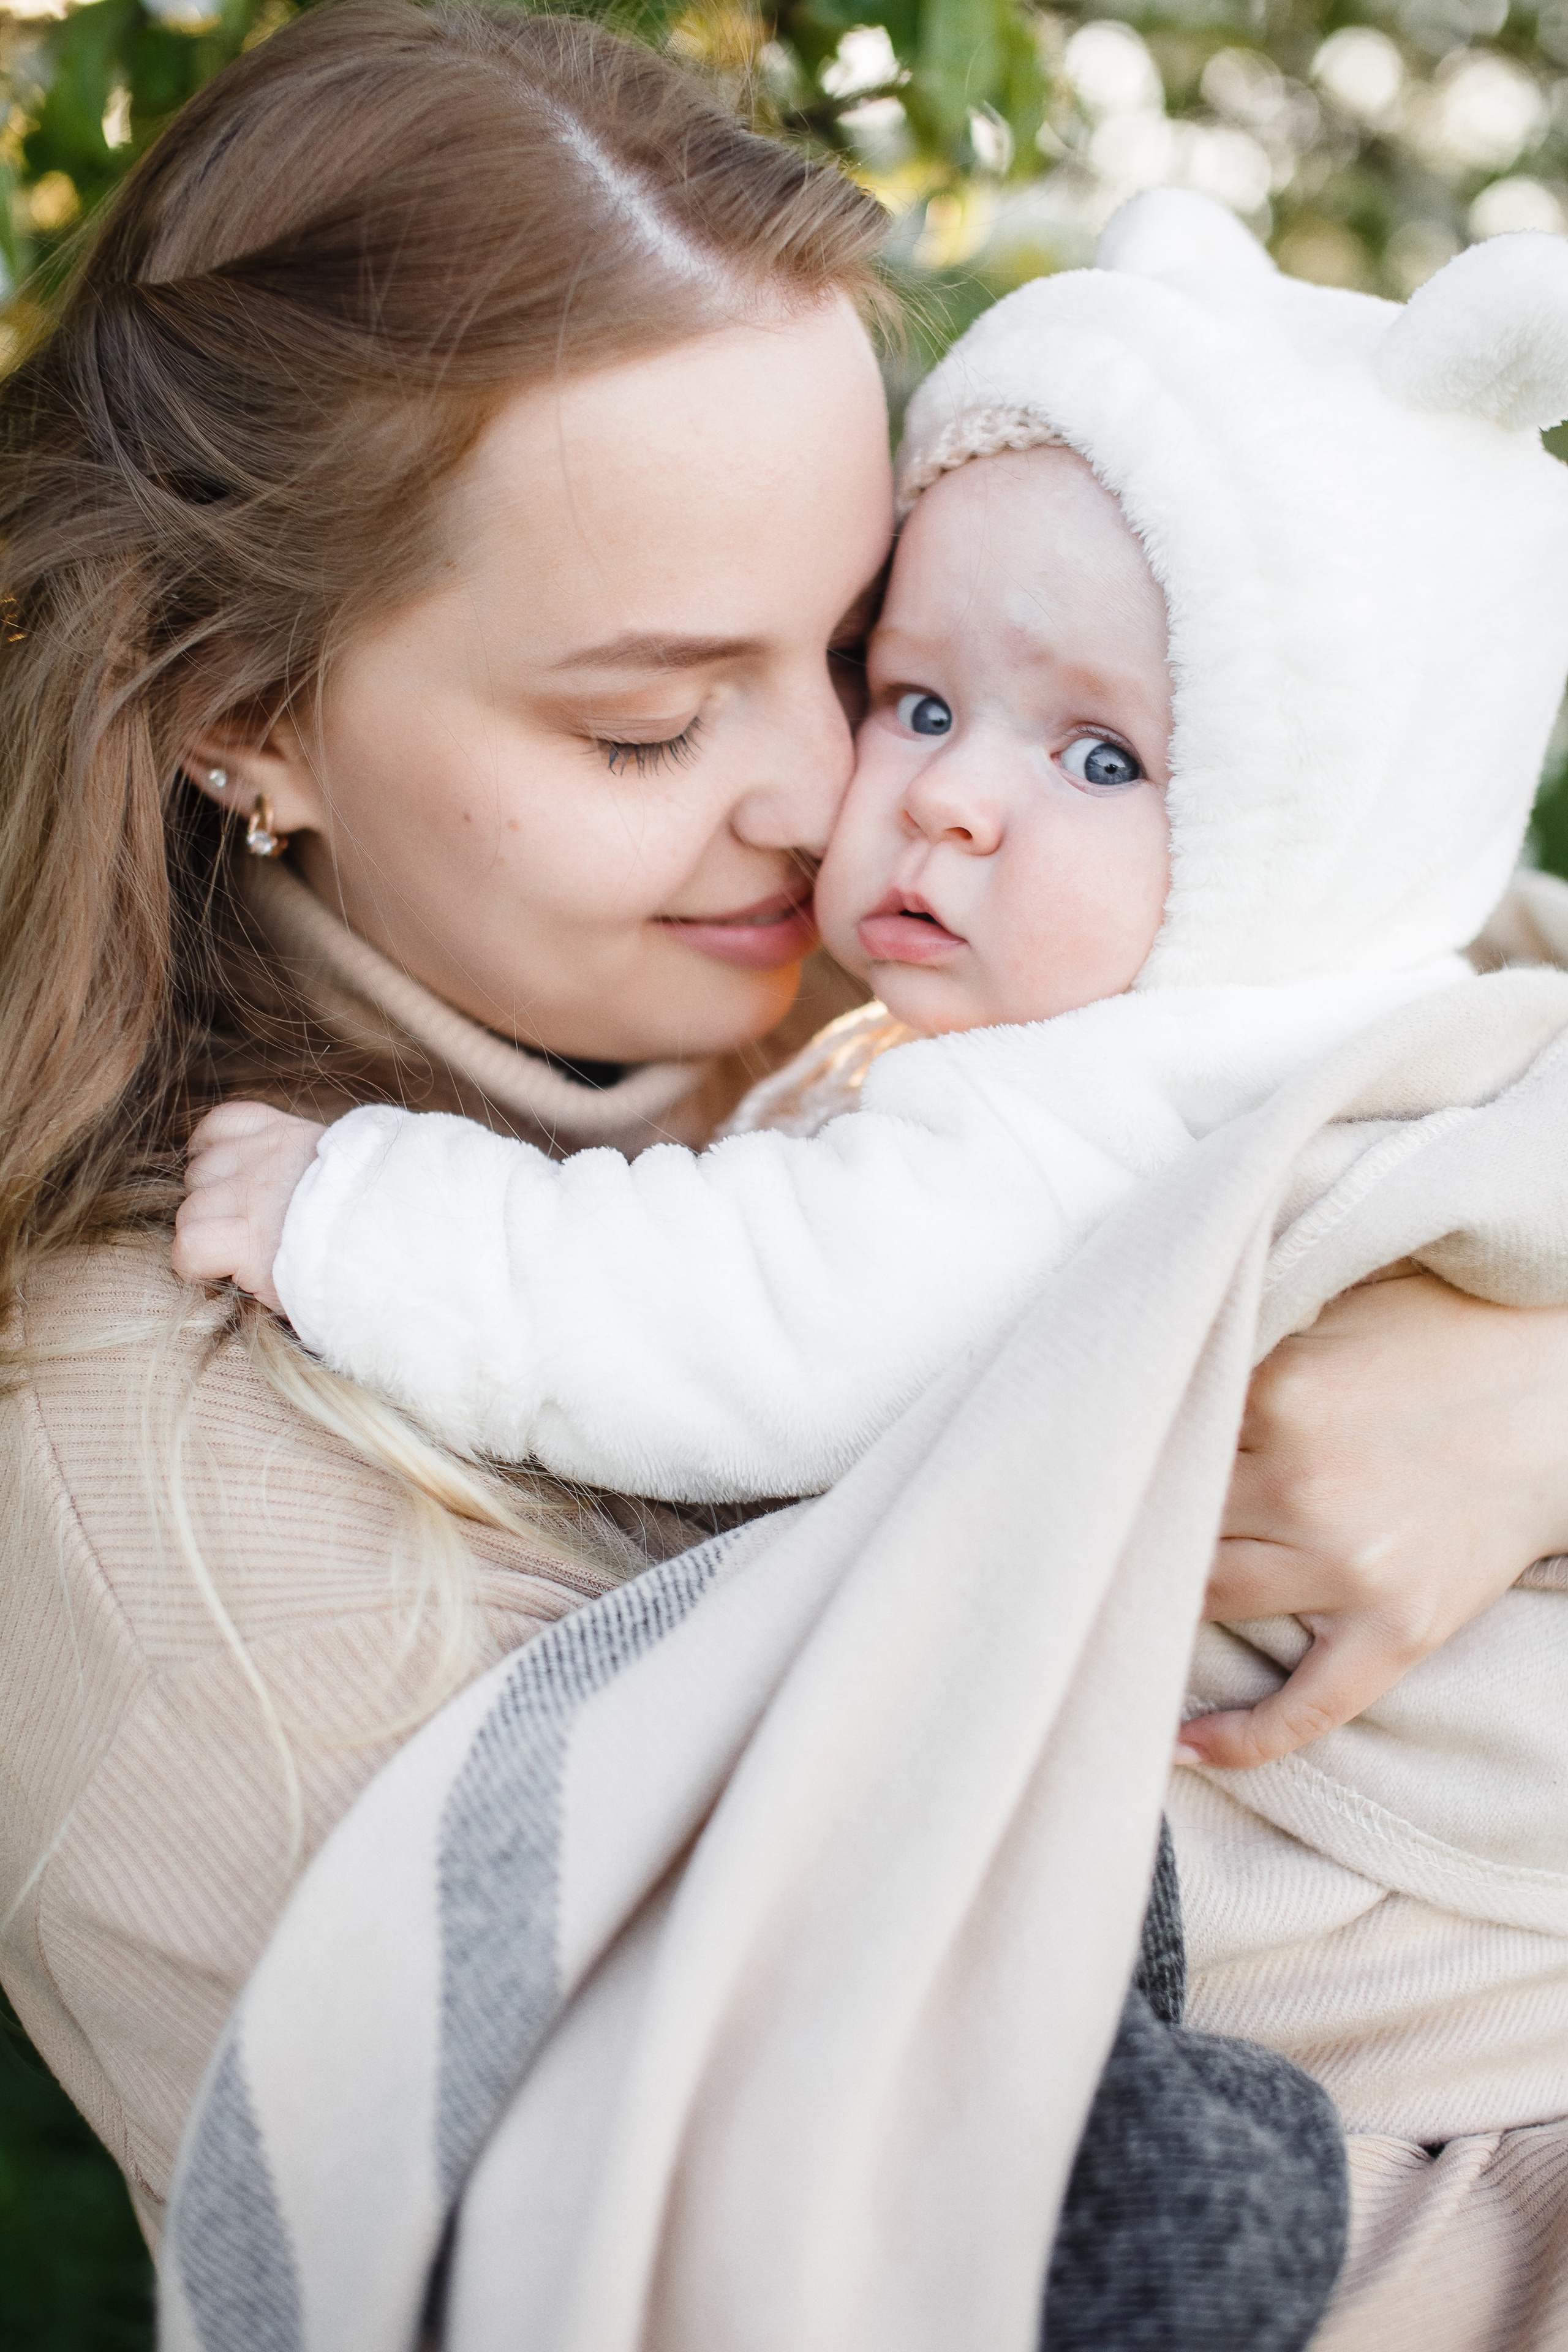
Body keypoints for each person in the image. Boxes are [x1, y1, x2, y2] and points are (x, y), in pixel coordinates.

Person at [0, 4, 1562, 2330]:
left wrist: (1516, 1402)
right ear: (244, 710)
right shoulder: (169, 1495)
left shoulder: (903, 988)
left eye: (860, 650)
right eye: (644, 718)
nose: (833, 792)